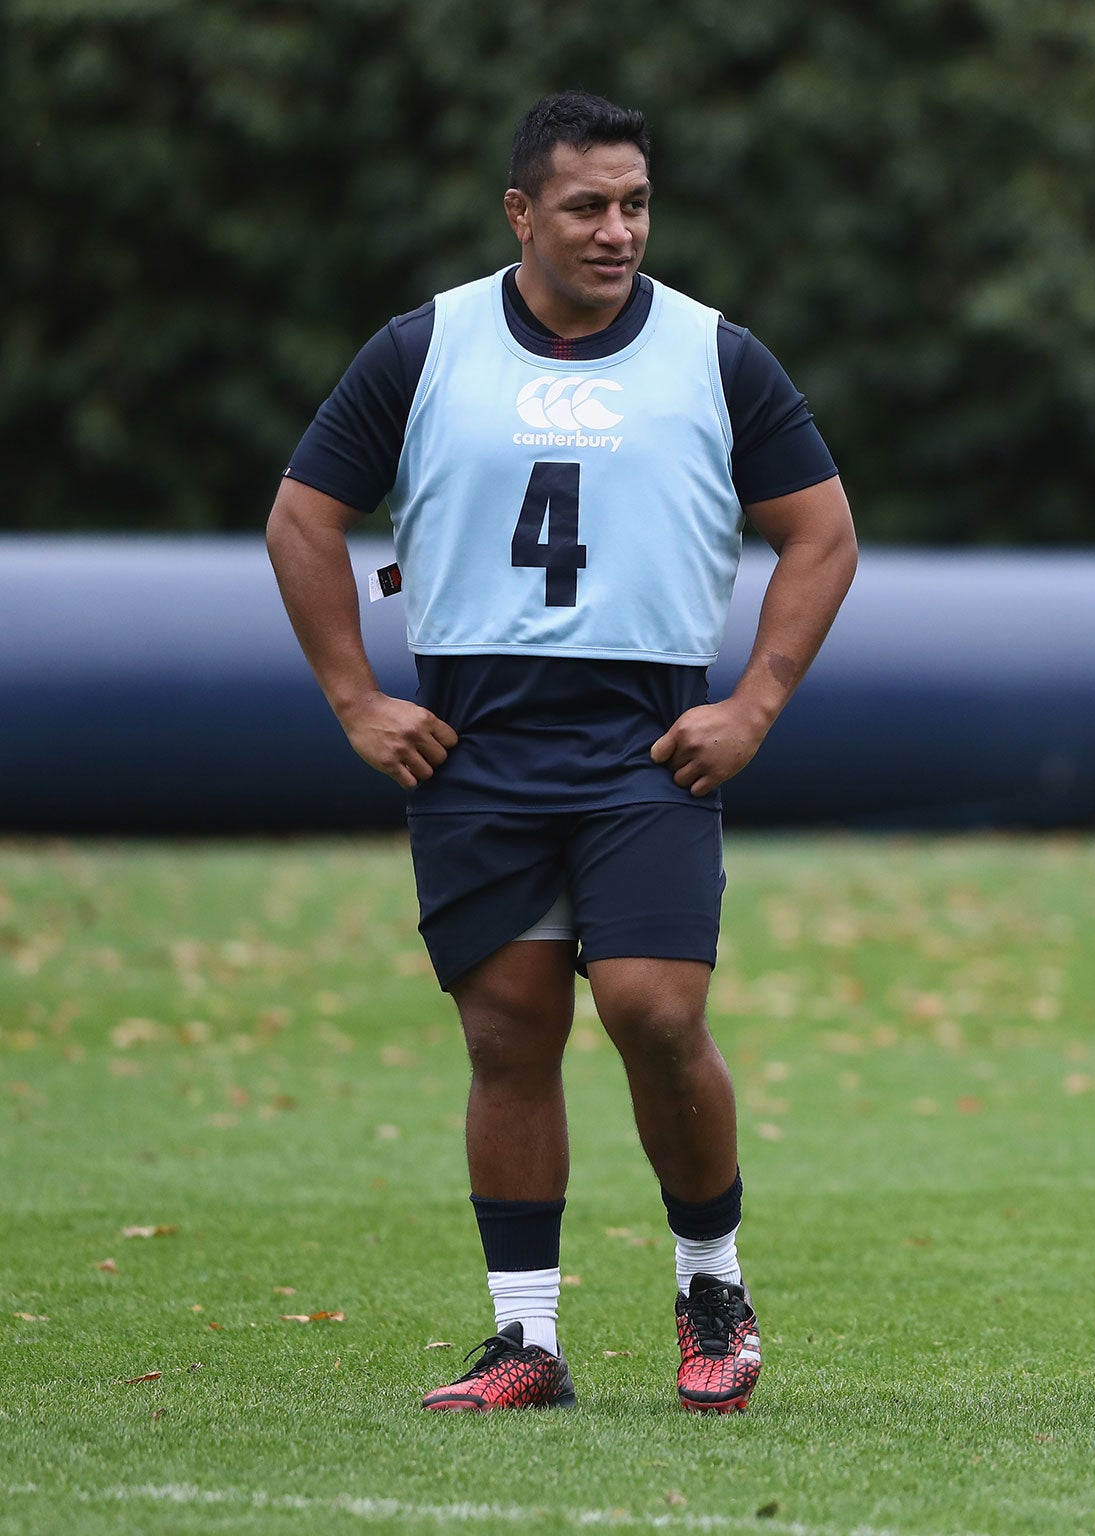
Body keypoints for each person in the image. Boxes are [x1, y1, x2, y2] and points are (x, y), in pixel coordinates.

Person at [266, 91, 857, 1414]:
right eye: (588, 205)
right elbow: (303, 519)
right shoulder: (427, 348)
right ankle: (524, 1339)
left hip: (646, 740)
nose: (618, 229)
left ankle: (713, 1287)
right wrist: (359, 700)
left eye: (636, 203)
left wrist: (754, 702)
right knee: (506, 1035)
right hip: (477, 737)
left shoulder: (716, 355)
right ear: (521, 212)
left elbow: (823, 534)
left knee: (656, 1011)